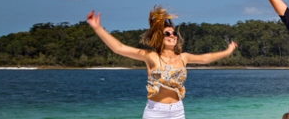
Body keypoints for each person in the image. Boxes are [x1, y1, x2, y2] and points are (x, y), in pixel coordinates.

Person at [86, 7, 237, 119]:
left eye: (174, 33)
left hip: (178, 111)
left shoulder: (184, 57)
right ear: (160, 37)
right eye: (167, 33)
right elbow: (119, 48)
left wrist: (227, 51)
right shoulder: (151, 57)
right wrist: (98, 28)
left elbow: (205, 58)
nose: (172, 36)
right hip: (155, 111)